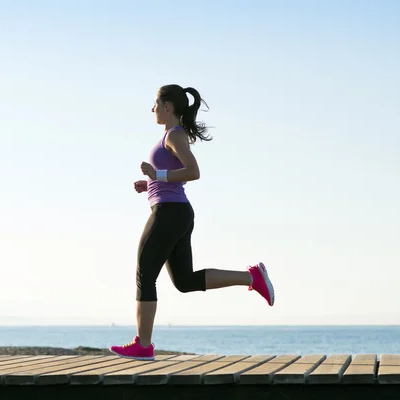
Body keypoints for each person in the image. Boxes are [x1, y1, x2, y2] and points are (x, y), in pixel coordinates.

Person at [109, 84, 275, 361]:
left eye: (155, 104)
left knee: (145, 275)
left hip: (170, 213)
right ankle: (251, 277)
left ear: (167, 107)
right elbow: (175, 175)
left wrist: (157, 175)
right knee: (184, 281)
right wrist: (150, 182)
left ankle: (144, 345)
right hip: (176, 211)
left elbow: (193, 172)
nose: (152, 109)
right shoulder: (171, 136)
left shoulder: (174, 136)